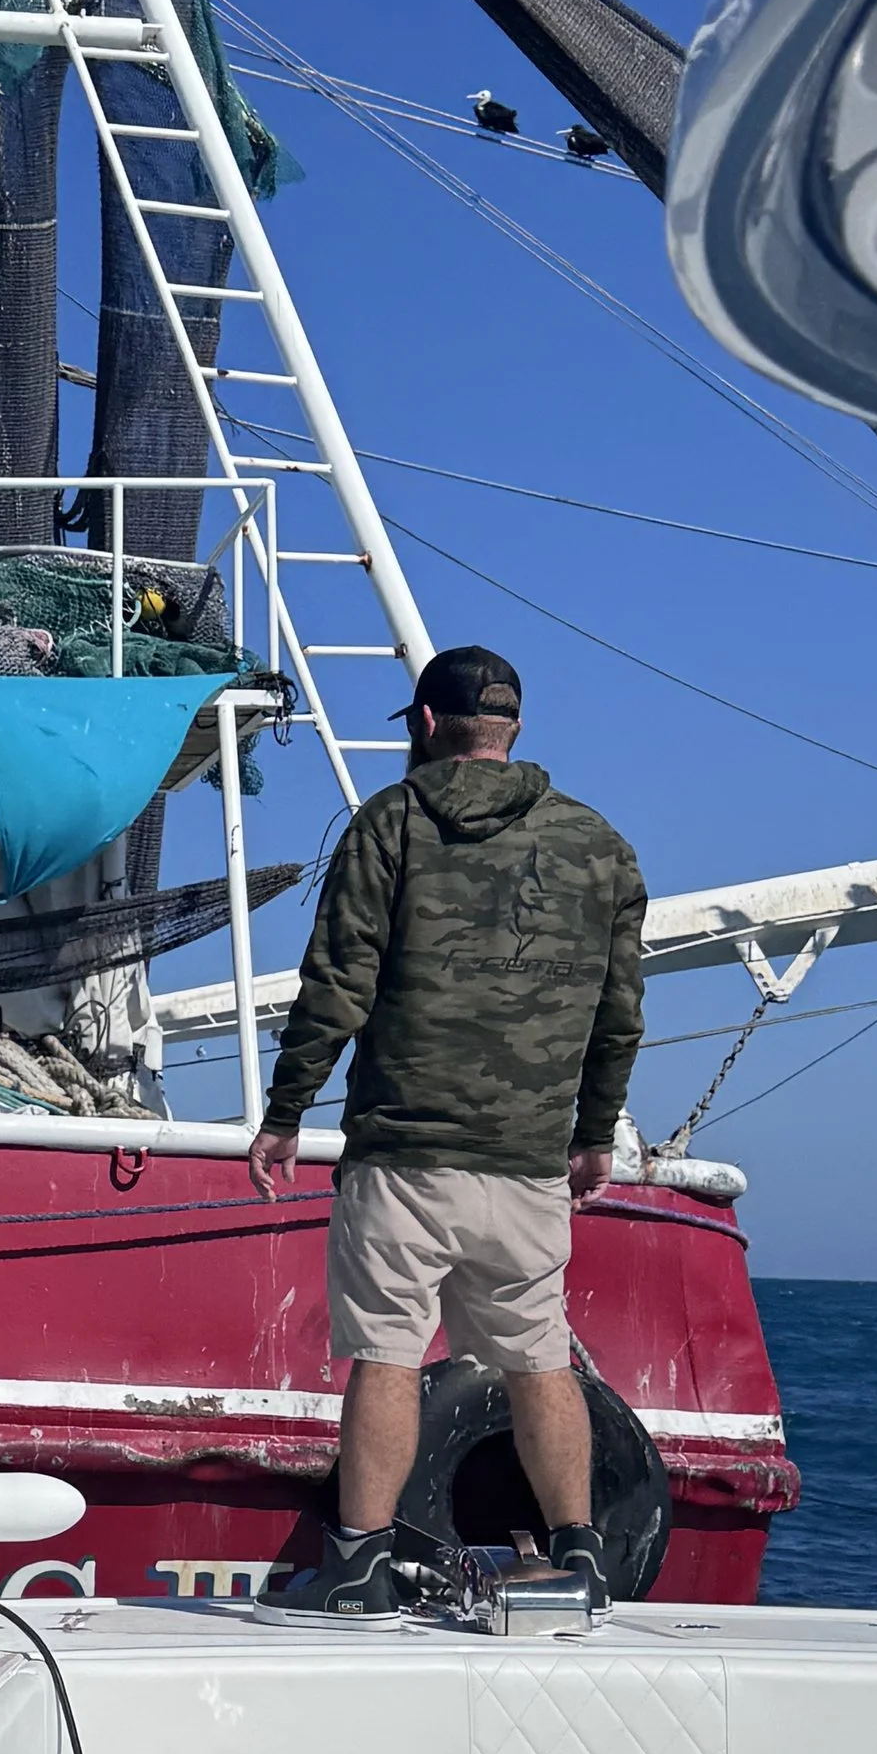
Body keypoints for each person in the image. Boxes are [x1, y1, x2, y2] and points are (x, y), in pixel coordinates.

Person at [245, 644, 647, 1613]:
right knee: (536, 1357)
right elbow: (617, 1011)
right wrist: (593, 1134)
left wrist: (285, 1112)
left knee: (386, 1351)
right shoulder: (600, 848)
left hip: (404, 1157)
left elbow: (335, 987)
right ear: (512, 729)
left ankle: (358, 1565)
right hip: (526, 1164)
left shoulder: (392, 825)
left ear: (423, 727)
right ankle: (582, 1556)